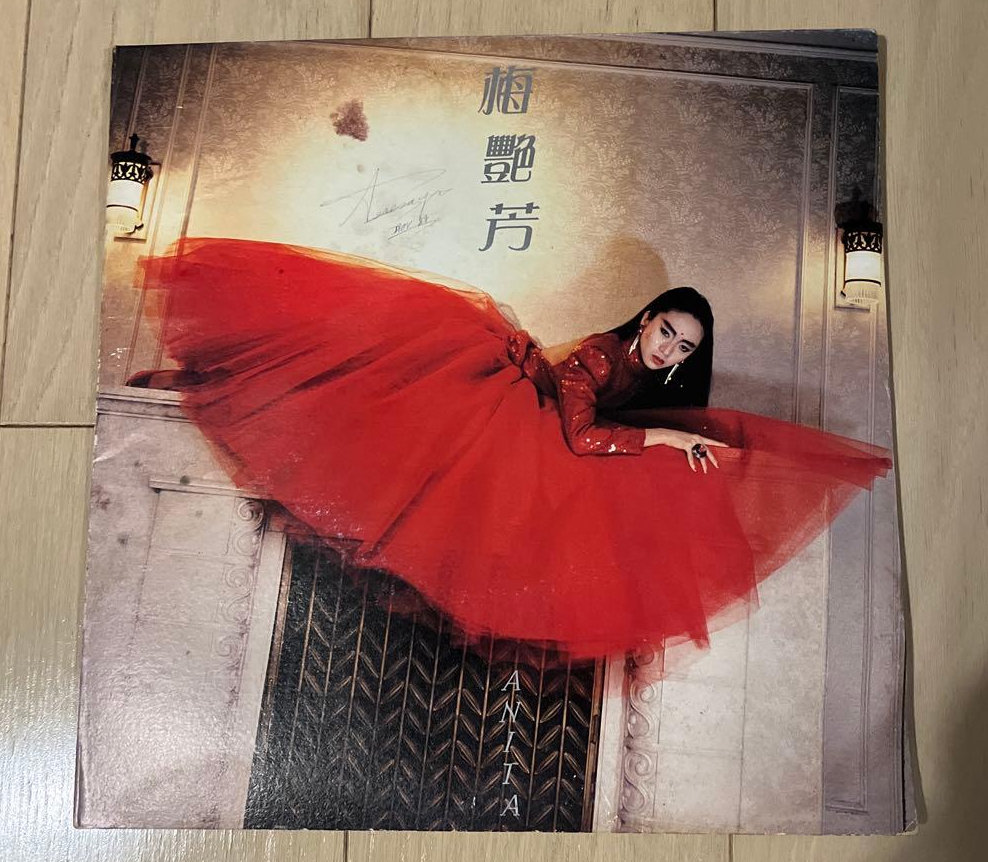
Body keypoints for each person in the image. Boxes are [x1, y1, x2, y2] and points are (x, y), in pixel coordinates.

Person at [135, 237, 893, 665]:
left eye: (684, 348)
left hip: (545, 426)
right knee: (363, 421)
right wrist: (663, 436)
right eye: (665, 332)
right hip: (516, 416)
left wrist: (678, 439)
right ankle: (206, 381)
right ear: (646, 319)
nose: (669, 351)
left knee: (697, 458)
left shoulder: (648, 373)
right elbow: (580, 437)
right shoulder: (601, 354)